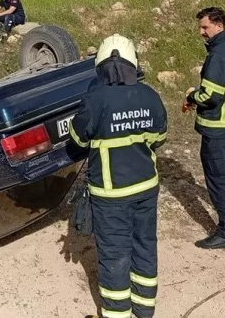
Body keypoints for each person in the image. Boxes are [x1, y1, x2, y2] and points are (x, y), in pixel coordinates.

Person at [70, 34, 168, 318]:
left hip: (111, 196)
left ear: (100, 66)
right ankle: (144, 310)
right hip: (147, 189)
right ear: (133, 64)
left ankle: (116, 314)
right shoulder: (150, 96)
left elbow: (77, 140)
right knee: (145, 247)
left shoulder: (95, 98)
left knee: (114, 256)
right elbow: (159, 137)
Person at [183, 7, 225, 250]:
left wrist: (191, 97)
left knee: (218, 179)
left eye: (204, 27)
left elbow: (211, 95)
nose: (201, 32)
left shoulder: (219, 55)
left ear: (218, 25)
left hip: (217, 129)